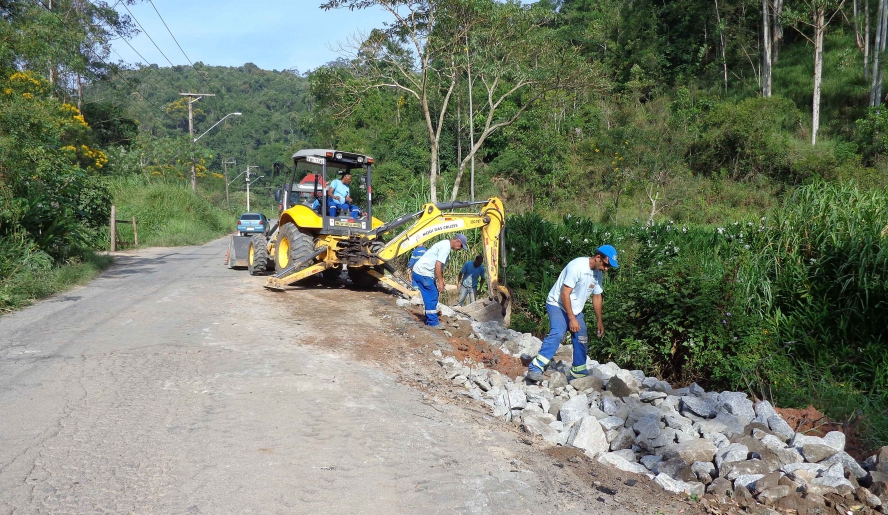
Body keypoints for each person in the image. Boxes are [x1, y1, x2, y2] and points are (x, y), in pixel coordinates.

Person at [525, 245, 619, 383]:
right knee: (558, 332)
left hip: (575, 309)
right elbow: (565, 294)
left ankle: (578, 373)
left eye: (608, 267)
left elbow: (597, 296)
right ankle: (535, 368)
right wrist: (571, 318)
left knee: (581, 336)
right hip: (557, 304)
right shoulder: (577, 266)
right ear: (598, 257)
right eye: (606, 264)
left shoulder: (598, 273)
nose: (606, 269)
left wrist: (600, 320)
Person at [411, 234, 467, 326]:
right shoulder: (445, 247)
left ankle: (430, 319)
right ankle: (433, 323)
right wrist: (440, 282)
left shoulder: (445, 244)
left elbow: (439, 266)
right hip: (423, 273)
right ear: (457, 241)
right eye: (461, 246)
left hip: (421, 272)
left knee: (431, 295)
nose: (459, 249)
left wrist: (442, 278)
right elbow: (438, 265)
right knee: (432, 295)